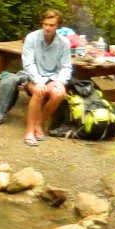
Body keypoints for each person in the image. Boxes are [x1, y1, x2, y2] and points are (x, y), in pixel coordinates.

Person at [20, 10, 72, 147]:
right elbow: (28, 63)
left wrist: (60, 82)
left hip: (53, 77)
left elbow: (66, 67)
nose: (48, 28)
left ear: (58, 26)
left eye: (52, 25)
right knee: (39, 91)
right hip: (33, 76)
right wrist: (38, 81)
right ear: (42, 24)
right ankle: (29, 131)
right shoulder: (31, 38)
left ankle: (40, 123)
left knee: (59, 93)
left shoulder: (64, 43)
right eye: (45, 24)